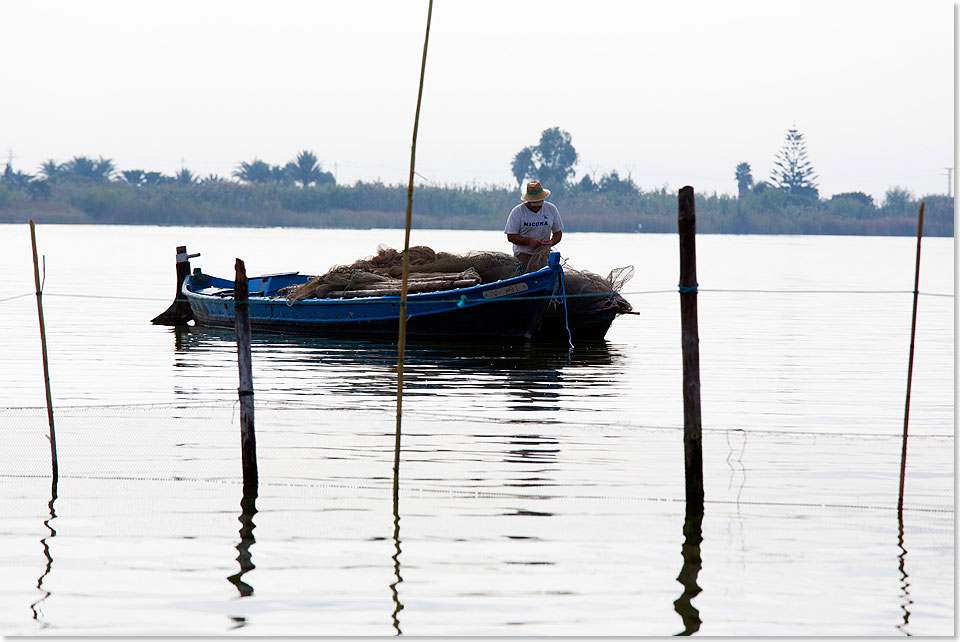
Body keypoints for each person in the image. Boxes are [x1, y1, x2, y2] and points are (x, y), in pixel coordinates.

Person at [504, 180, 563, 272]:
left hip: (544, 254)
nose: (537, 206)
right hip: (523, 255)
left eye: (539, 203)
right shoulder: (518, 212)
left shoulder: (551, 209)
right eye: (534, 203)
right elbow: (511, 236)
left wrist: (551, 242)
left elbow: (558, 233)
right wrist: (528, 241)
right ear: (528, 200)